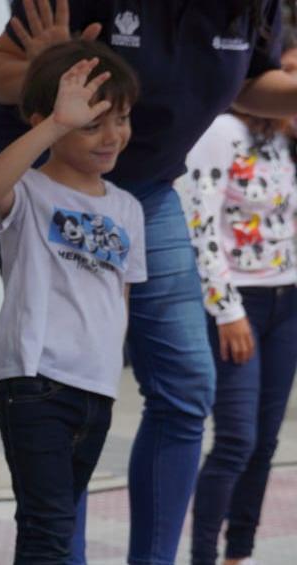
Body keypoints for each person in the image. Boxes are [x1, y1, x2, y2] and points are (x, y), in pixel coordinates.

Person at [0, 1, 297, 561]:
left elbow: (250, 83)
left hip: (144, 191)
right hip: (51, 185)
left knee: (185, 387)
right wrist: (51, 77)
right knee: (56, 389)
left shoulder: (252, 8)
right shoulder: (30, 186)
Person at [0, 41, 144, 562]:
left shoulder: (128, 207)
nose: (111, 137)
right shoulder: (29, 191)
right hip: (36, 382)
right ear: (44, 121)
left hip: (97, 389)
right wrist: (56, 125)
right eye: (92, 125)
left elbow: (120, 296)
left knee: (56, 523)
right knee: (47, 528)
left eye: (121, 120)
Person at [183, 107, 297, 565]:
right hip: (238, 304)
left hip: (288, 302)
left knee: (265, 442)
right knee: (236, 441)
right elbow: (201, 224)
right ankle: (204, 557)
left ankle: (239, 555)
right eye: (288, 74)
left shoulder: (283, 134)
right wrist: (226, 310)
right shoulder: (220, 130)